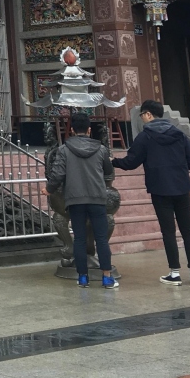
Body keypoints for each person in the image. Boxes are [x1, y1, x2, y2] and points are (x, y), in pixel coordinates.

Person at [113, 99, 190, 287]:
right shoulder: (180, 134)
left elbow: (130, 163)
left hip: (160, 190)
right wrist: (177, 168)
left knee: (168, 231)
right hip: (182, 187)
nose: (142, 119)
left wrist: (112, 161)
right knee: (188, 230)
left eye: (142, 115)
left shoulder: (145, 137)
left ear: (148, 114)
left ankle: (175, 274)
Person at [48, 113, 119, 288]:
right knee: (101, 239)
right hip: (97, 198)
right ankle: (107, 277)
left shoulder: (64, 150)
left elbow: (57, 174)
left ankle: (82, 277)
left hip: (75, 199)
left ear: (72, 130)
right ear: (89, 130)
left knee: (79, 238)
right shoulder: (101, 149)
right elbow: (108, 171)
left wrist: (49, 189)